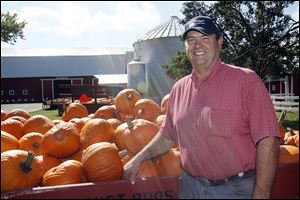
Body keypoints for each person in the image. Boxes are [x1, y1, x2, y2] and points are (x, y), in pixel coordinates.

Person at [123, 15, 280, 199]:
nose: (197, 46)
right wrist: (139, 158)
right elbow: (167, 135)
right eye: (191, 40)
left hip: (236, 190)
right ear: (186, 47)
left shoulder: (246, 81)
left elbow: (269, 139)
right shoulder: (178, 89)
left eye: (205, 38)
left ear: (219, 42)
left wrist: (261, 194)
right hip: (191, 188)